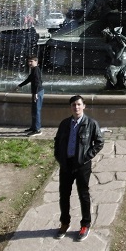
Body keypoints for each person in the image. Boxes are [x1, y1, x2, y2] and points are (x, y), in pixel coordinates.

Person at [53, 95, 105, 242]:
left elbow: (99, 142)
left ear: (84, 106)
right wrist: (58, 157)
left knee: (83, 195)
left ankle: (85, 224)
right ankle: (64, 223)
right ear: (70, 107)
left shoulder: (91, 123)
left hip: (82, 166)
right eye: (73, 105)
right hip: (66, 165)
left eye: (78, 104)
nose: (76, 107)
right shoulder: (64, 124)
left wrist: (86, 156)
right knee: (64, 195)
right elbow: (57, 142)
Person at [16, 55, 44, 136]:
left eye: (31, 61)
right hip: (37, 92)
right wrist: (19, 85)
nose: (29, 63)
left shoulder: (36, 69)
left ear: (36, 62)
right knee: (34, 110)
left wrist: (35, 93)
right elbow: (29, 79)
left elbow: (37, 82)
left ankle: (37, 130)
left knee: (36, 111)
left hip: (38, 92)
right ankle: (33, 127)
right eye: (29, 61)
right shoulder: (34, 70)